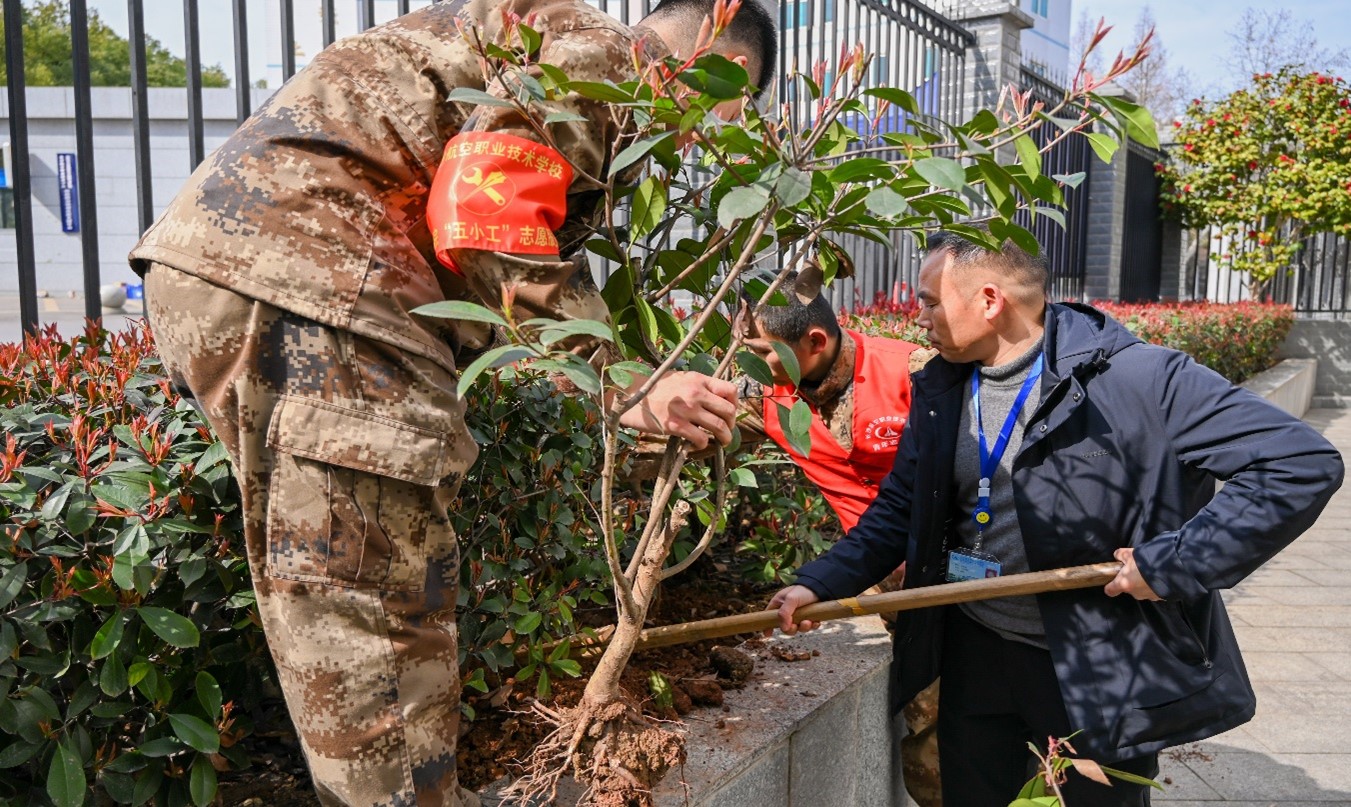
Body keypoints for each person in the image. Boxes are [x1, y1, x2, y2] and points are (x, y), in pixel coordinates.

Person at [128, 0, 776, 804]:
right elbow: (486, 210)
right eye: (718, 124)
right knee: (375, 612)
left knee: (341, 598)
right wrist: (627, 381)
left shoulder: (541, 47)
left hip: (260, 270)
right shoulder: (607, 58)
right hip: (323, 283)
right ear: (722, 64)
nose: (696, 147)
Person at [768, 228, 1344, 806]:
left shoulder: (1140, 380)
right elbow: (899, 508)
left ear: (989, 301)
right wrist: (819, 583)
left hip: (1093, 665)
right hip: (976, 650)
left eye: (930, 301)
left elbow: (1299, 462)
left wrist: (1176, 561)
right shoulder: (942, 386)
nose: (918, 317)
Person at [734, 274, 945, 806]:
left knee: (947, 727)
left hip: (948, 573)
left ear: (815, 341)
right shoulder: (765, 393)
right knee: (928, 725)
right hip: (868, 570)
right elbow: (684, 428)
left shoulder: (915, 372)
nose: (747, 364)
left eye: (760, 352)